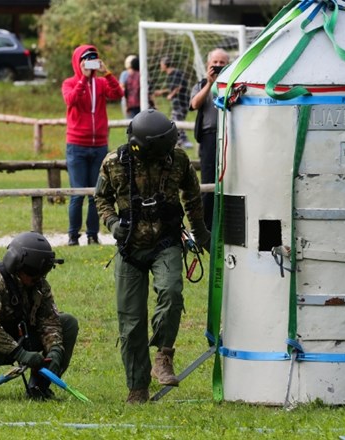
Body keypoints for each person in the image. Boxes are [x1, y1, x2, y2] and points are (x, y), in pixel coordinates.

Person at [94, 109, 210, 404]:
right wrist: (111, 223)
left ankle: (163, 354)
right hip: (129, 248)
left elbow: (193, 199)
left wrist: (202, 235)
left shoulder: (179, 161)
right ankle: (137, 387)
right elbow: (101, 198)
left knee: (171, 292)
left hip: (167, 242)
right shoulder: (113, 163)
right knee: (131, 324)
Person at [0, 232, 79, 400]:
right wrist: (21, 354)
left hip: (19, 335)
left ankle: (39, 387)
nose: (39, 279)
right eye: (33, 275)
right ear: (18, 268)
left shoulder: (39, 284)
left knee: (68, 323)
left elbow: (49, 319)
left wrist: (55, 349)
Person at [62, 44, 124, 246]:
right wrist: (83, 78)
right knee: (77, 193)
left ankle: (92, 235)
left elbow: (118, 93)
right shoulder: (70, 82)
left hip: (99, 146)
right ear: (77, 62)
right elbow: (71, 100)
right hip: (77, 145)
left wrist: (107, 73)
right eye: (85, 59)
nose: (89, 63)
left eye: (93, 59)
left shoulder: (101, 83)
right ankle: (73, 236)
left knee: (95, 194)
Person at [189, 48, 230, 230]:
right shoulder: (200, 84)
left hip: (230, 136)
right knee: (208, 180)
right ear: (208, 65)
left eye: (222, 63)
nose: (219, 66)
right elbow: (194, 104)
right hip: (209, 137)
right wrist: (209, 83)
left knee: (229, 180)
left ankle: (226, 223)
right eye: (215, 63)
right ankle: (205, 227)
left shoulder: (233, 83)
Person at [153, 57, 192, 149]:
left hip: (181, 103)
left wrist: (171, 95)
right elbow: (173, 87)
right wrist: (162, 92)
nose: (160, 66)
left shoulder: (175, 73)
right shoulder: (170, 75)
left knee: (176, 122)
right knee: (175, 122)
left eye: (161, 64)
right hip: (177, 103)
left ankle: (185, 142)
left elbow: (179, 86)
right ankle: (180, 141)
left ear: (165, 65)